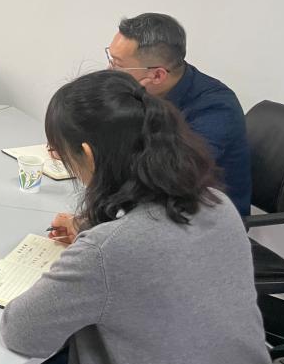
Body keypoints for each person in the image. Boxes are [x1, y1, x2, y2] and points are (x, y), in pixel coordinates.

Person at [0, 70, 283, 364]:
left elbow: (21, 331)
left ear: (88, 155)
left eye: (61, 153)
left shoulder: (107, 250)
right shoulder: (216, 205)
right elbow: (152, 244)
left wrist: (89, 243)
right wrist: (89, 228)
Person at [105, 12, 251, 215]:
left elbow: (171, 174)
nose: (109, 70)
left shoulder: (216, 107)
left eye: (118, 65)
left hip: (206, 217)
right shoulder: (146, 90)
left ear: (157, 75)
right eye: (111, 59)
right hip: (156, 204)